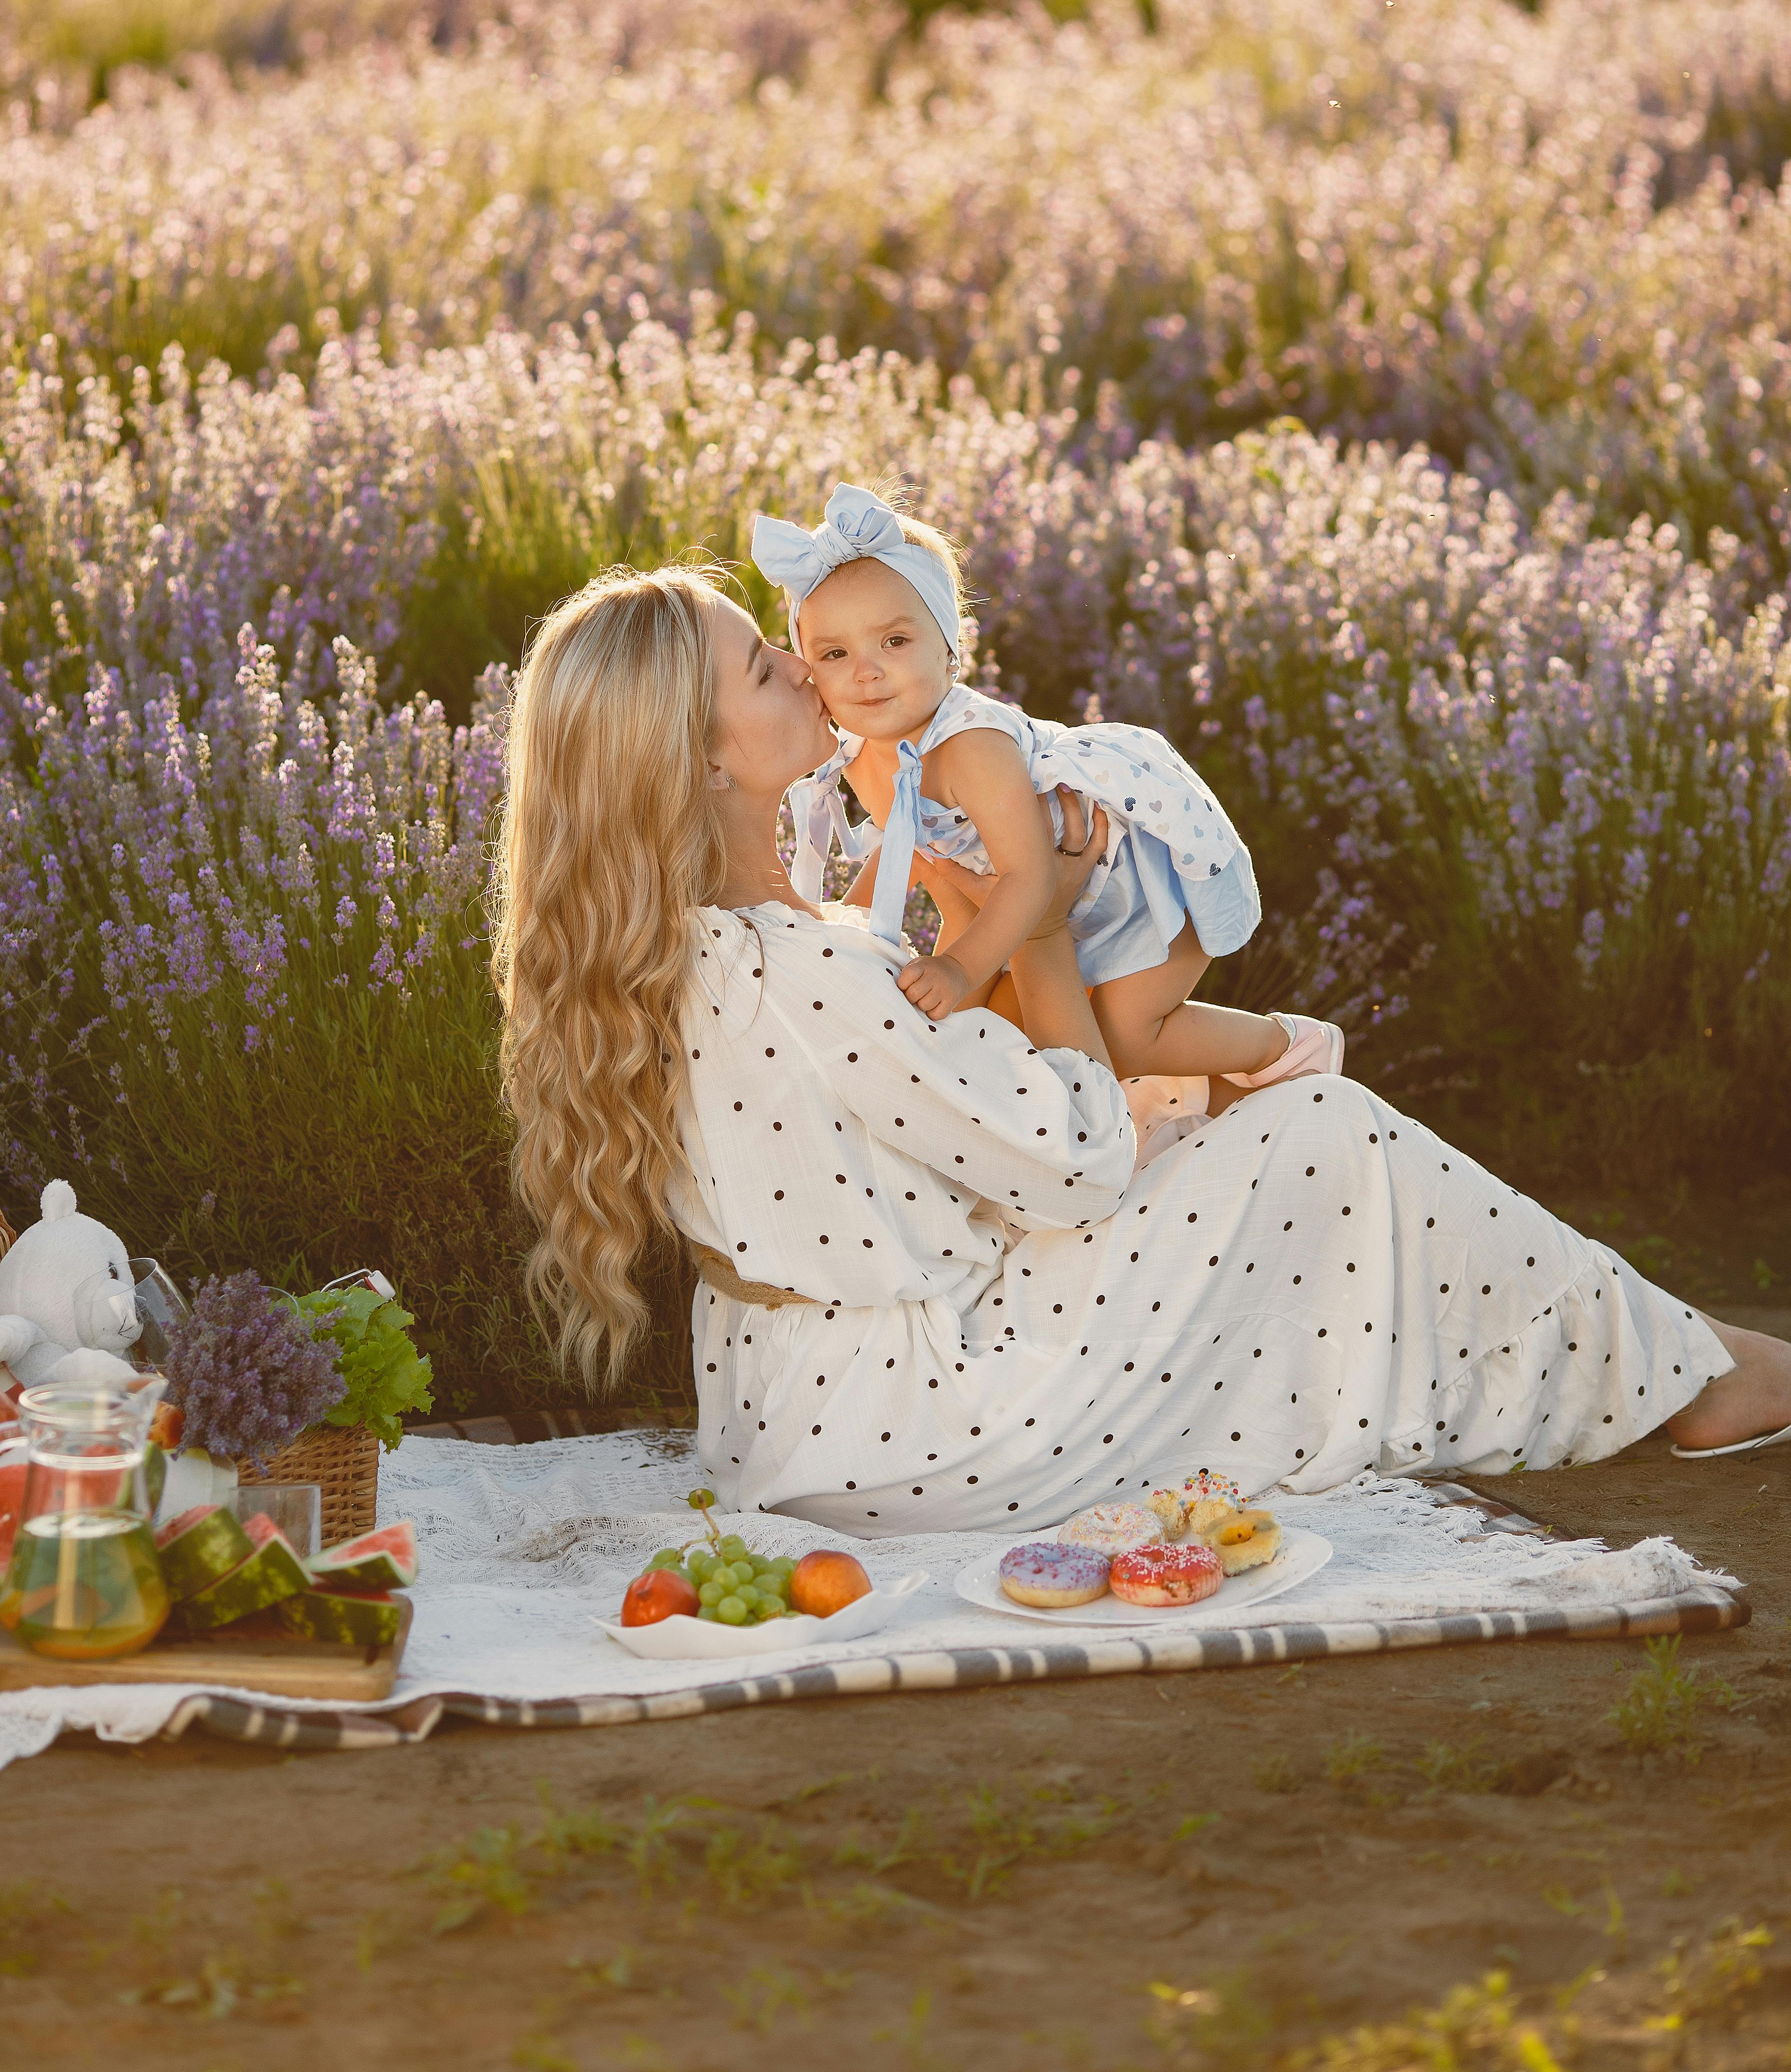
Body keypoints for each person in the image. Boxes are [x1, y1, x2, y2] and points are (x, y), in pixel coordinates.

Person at [490, 564, 1791, 1534]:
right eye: (764, 669)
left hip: (789, 1421)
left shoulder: (695, 946)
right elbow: (1079, 1162)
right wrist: (1045, 924)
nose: (800, 662)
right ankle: (1691, 1376)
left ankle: (1664, 1356)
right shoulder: (806, 970)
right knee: (1323, 1132)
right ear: (706, 764)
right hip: (923, 1436)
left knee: (1231, 1141)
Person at [752, 480, 1335, 1095]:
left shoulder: (973, 750)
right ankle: (1217, 1099)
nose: (866, 672)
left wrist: (957, 969)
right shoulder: (866, 756)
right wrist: (840, 929)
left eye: (895, 641)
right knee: (970, 1033)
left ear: (949, 650)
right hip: (1042, 901)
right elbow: (916, 856)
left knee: (1126, 1035)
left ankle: (1290, 1048)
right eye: (835, 653)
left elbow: (1030, 877)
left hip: (1138, 884)